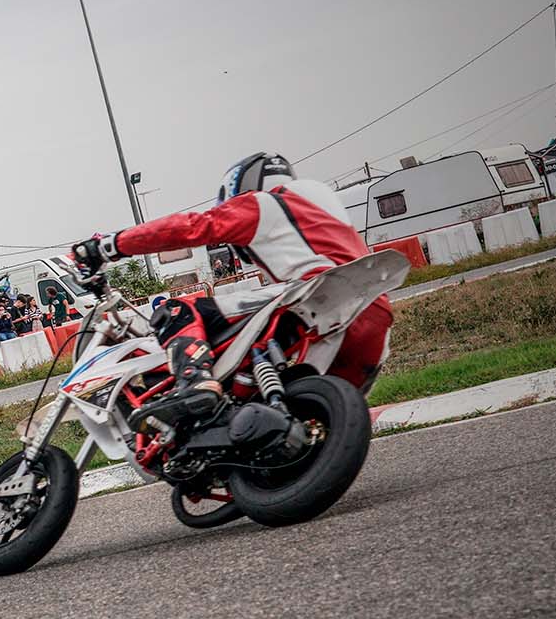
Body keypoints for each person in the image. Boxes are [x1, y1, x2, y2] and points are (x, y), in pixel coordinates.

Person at [71, 150, 395, 422]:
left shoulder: (263, 202)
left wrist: (109, 246)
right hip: (375, 319)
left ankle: (195, 382)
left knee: (176, 309)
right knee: (312, 421)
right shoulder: (321, 206)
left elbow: (191, 228)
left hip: (316, 296)